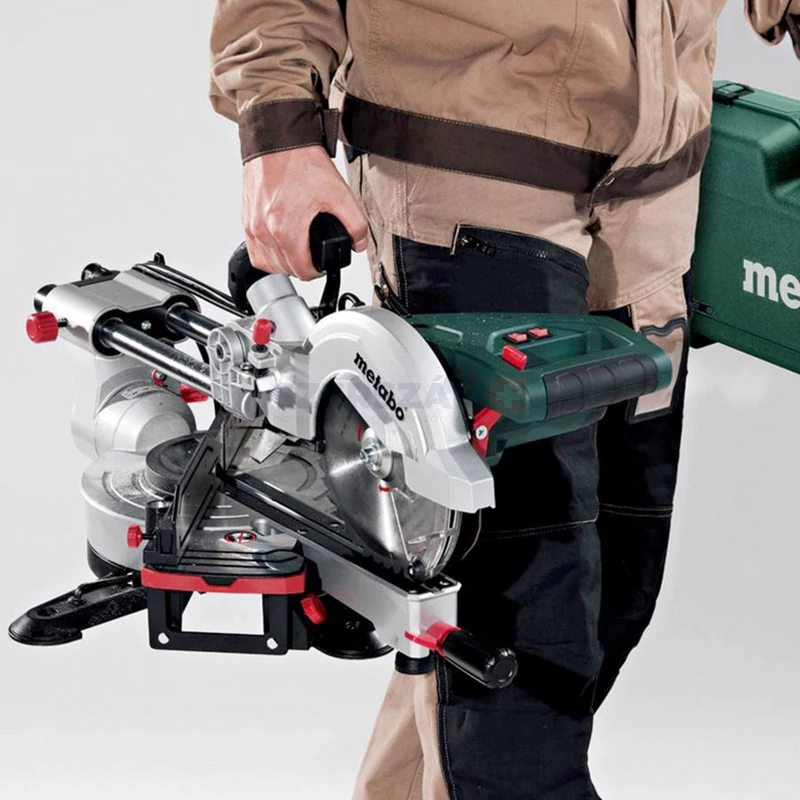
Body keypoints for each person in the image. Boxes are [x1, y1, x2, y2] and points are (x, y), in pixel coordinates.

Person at [209, 2, 800, 798]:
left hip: (656, 211)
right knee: (528, 623)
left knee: (610, 590)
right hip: (474, 195)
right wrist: (278, 134)